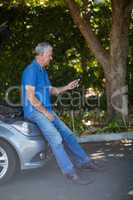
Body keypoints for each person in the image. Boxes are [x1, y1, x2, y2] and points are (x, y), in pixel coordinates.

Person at [21, 42, 97, 184]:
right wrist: (45, 112)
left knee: (68, 134)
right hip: (34, 111)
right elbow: (30, 97)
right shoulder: (31, 70)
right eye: (50, 55)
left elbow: (52, 90)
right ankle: (69, 172)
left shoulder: (43, 71)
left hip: (46, 110)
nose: (51, 58)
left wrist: (67, 87)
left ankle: (85, 161)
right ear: (41, 55)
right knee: (56, 138)